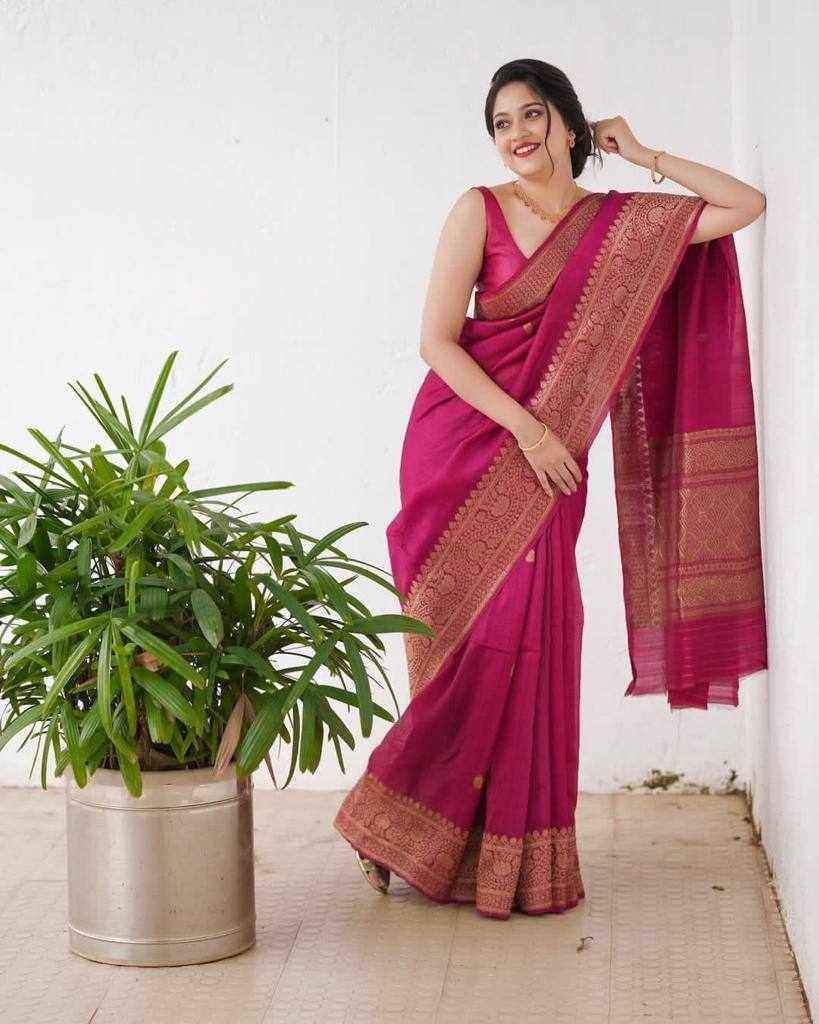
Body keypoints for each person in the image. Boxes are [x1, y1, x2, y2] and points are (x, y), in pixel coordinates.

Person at [333, 58, 768, 920]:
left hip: (552, 462)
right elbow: (436, 341)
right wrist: (528, 430)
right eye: (501, 123)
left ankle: (482, 853)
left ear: (568, 124)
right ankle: (392, 824)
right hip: (466, 446)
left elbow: (742, 204)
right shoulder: (477, 208)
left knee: (529, 644)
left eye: (532, 115)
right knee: (468, 648)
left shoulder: (620, 228)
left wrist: (642, 153)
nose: (517, 135)